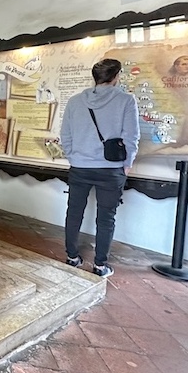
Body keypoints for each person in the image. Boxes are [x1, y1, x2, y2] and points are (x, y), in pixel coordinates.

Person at [60, 59, 140, 278]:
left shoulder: (75, 101)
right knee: (106, 217)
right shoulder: (126, 100)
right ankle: (100, 265)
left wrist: (73, 157)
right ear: (116, 77)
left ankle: (72, 257)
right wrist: (128, 163)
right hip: (111, 168)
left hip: (79, 167)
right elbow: (131, 136)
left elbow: (65, 135)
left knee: (74, 213)